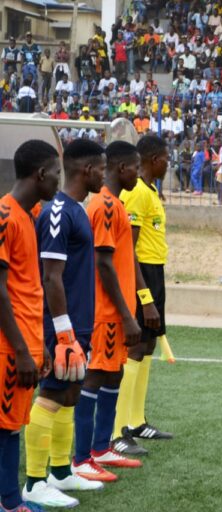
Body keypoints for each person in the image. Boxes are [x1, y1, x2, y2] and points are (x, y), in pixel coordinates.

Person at [24, 139, 105, 508]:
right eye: (101, 168)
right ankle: (34, 481)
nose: (103, 175)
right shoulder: (58, 212)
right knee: (53, 394)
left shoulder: (76, 209)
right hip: (61, 326)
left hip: (78, 323)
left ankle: (60, 471)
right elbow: (51, 276)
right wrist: (64, 332)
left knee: (70, 394)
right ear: (86, 169)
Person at [72, 141, 144, 483]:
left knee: (113, 374)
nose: (138, 174)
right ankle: (81, 457)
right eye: (136, 168)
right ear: (120, 169)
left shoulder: (116, 205)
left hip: (118, 311)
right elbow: (103, 264)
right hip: (105, 312)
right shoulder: (104, 206)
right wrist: (127, 316)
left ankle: (101, 448)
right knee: (96, 375)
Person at [0, 140, 60, 512]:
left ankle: (10, 499)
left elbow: (28, 288)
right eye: (56, 174)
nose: (58, 181)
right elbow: (0, 292)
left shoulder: (29, 215)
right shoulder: (5, 215)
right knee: (4, 428)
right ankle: (8, 502)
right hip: (9, 347)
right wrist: (22, 350)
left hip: (25, 342)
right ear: (40, 174)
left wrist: (40, 345)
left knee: (12, 426)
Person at [112, 135, 171, 457]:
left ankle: (136, 421)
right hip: (142, 274)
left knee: (147, 345)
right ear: (152, 159)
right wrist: (145, 296)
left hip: (154, 270)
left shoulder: (149, 191)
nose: (168, 163)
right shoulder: (136, 192)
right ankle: (119, 429)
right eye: (165, 158)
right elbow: (128, 248)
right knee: (134, 347)